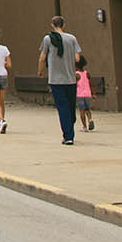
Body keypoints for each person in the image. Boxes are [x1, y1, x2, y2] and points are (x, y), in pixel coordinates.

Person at [38, 15, 83, 145]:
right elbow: (77, 59)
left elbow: (42, 57)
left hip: (55, 80)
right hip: (70, 78)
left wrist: (40, 70)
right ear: (64, 25)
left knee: (63, 108)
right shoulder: (72, 38)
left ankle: (68, 134)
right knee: (70, 107)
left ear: (52, 25)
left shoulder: (48, 39)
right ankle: (69, 133)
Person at [75, 53, 95, 132]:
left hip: (80, 95)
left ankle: (84, 127)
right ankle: (90, 119)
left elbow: (74, 85)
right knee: (88, 109)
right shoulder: (87, 73)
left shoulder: (76, 75)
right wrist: (93, 94)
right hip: (88, 94)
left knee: (82, 111)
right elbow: (91, 84)